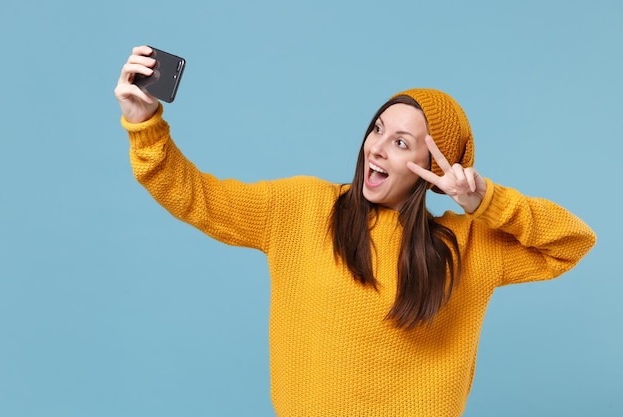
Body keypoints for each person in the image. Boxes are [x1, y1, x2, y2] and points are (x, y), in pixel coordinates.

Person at [115, 45, 596, 417]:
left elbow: (572, 242)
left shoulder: (467, 245)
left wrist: (485, 201)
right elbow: (197, 197)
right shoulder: (302, 208)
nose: (378, 148)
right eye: (378, 129)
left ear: (434, 166)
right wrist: (145, 125)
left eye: (402, 142)